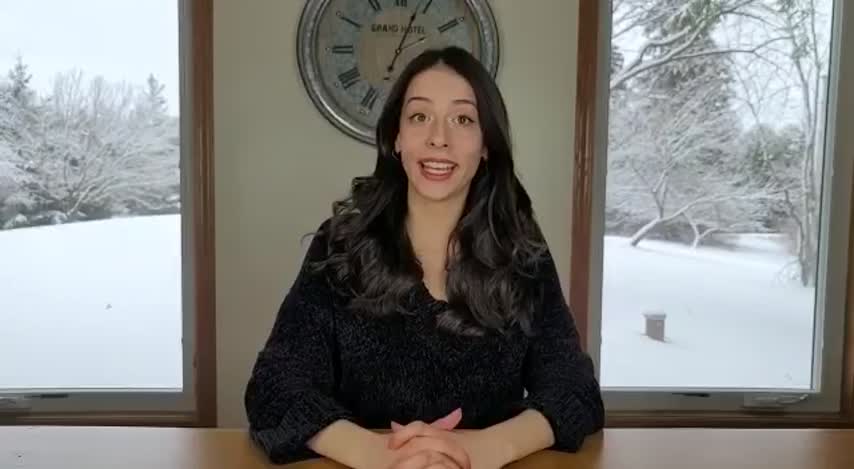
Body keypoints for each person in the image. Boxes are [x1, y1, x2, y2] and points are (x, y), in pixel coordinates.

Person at [244, 46, 604, 469]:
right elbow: (275, 385)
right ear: (396, 137)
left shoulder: (521, 253)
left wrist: (483, 450)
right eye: (419, 116)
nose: (438, 138)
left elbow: (575, 388)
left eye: (463, 119)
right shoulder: (341, 245)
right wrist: (376, 455)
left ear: (486, 144)